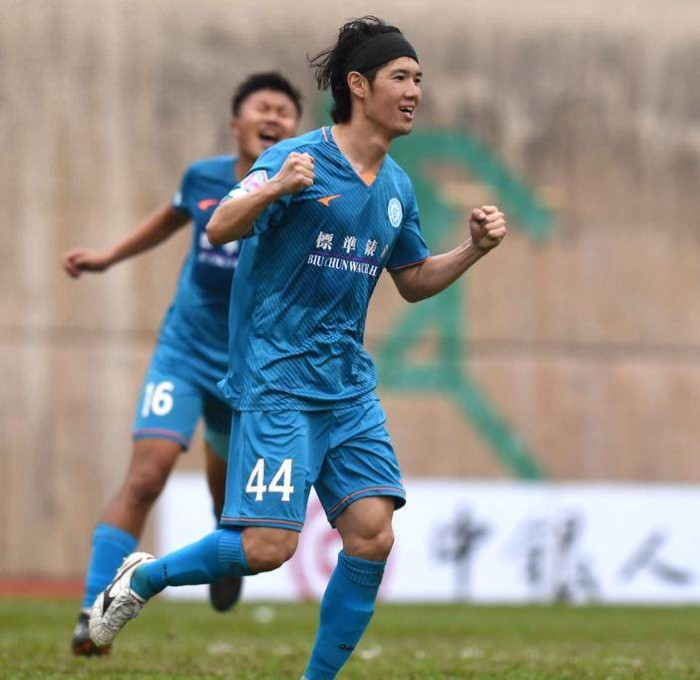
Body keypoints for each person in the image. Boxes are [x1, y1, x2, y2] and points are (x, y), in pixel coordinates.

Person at [89, 16, 509, 680]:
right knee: (266, 548)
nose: (414, 92)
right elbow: (222, 223)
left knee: (373, 534)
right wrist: (279, 186)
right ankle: (146, 576)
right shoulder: (296, 157)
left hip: (347, 387)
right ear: (357, 85)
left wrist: (474, 250)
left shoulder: (397, 188)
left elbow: (413, 282)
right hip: (277, 380)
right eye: (401, 77)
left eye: (419, 79)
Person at [63, 72, 302, 655]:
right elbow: (171, 218)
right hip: (186, 351)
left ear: (296, 129)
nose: (273, 118)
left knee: (230, 501)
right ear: (236, 123)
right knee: (147, 474)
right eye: (261, 108)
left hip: (249, 365)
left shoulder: (303, 186)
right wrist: (107, 257)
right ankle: (94, 607)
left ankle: (223, 561)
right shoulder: (203, 177)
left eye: (284, 111)